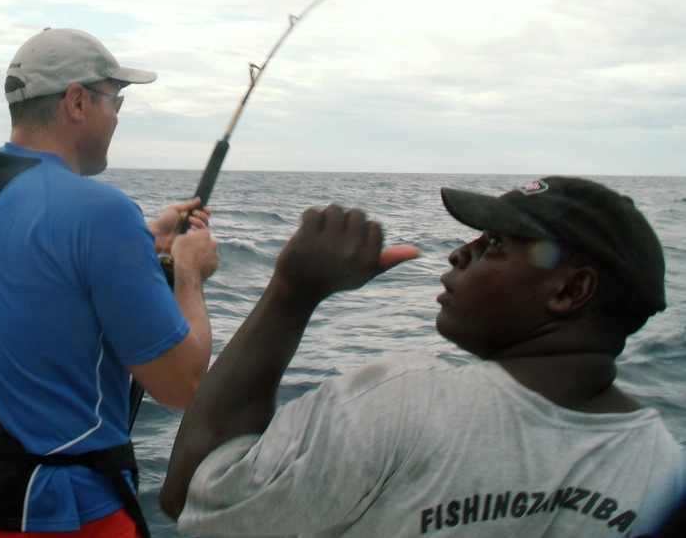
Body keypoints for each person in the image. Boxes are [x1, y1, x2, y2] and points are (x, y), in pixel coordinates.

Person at [161, 177, 686, 537]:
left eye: (495, 244)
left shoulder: (403, 402)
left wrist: (292, 292)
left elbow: (195, 499)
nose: (461, 253)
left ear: (570, 291)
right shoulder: (665, 472)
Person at [0, 27, 220, 537]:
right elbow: (183, 386)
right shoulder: (101, 210)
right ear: (77, 102)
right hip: (64, 511)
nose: (117, 118)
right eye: (116, 100)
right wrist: (190, 273)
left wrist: (143, 239)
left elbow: (40, 264)